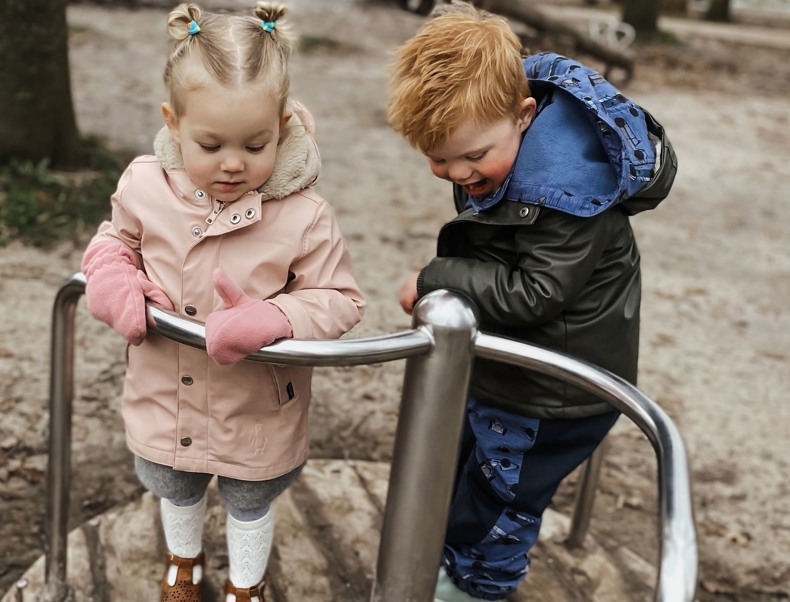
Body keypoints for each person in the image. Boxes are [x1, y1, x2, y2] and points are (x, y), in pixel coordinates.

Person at [387, 3, 676, 601]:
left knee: (502, 502)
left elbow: (535, 293)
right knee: (467, 478)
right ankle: (452, 561)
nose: (460, 173)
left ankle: (481, 588)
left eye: (472, 156)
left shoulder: (567, 196)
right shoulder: (506, 157)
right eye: (439, 159)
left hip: (555, 392)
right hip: (513, 372)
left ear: (523, 116)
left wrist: (439, 276)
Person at [80, 3, 365, 601]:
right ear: (174, 123)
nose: (233, 163)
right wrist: (111, 278)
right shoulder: (143, 185)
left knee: (249, 497)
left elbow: (340, 298)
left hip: (255, 399)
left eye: (256, 144)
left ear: (283, 127)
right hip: (166, 385)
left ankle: (246, 585)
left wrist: (276, 316)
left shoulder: (304, 214)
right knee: (174, 482)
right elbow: (115, 241)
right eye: (210, 144)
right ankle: (182, 566)